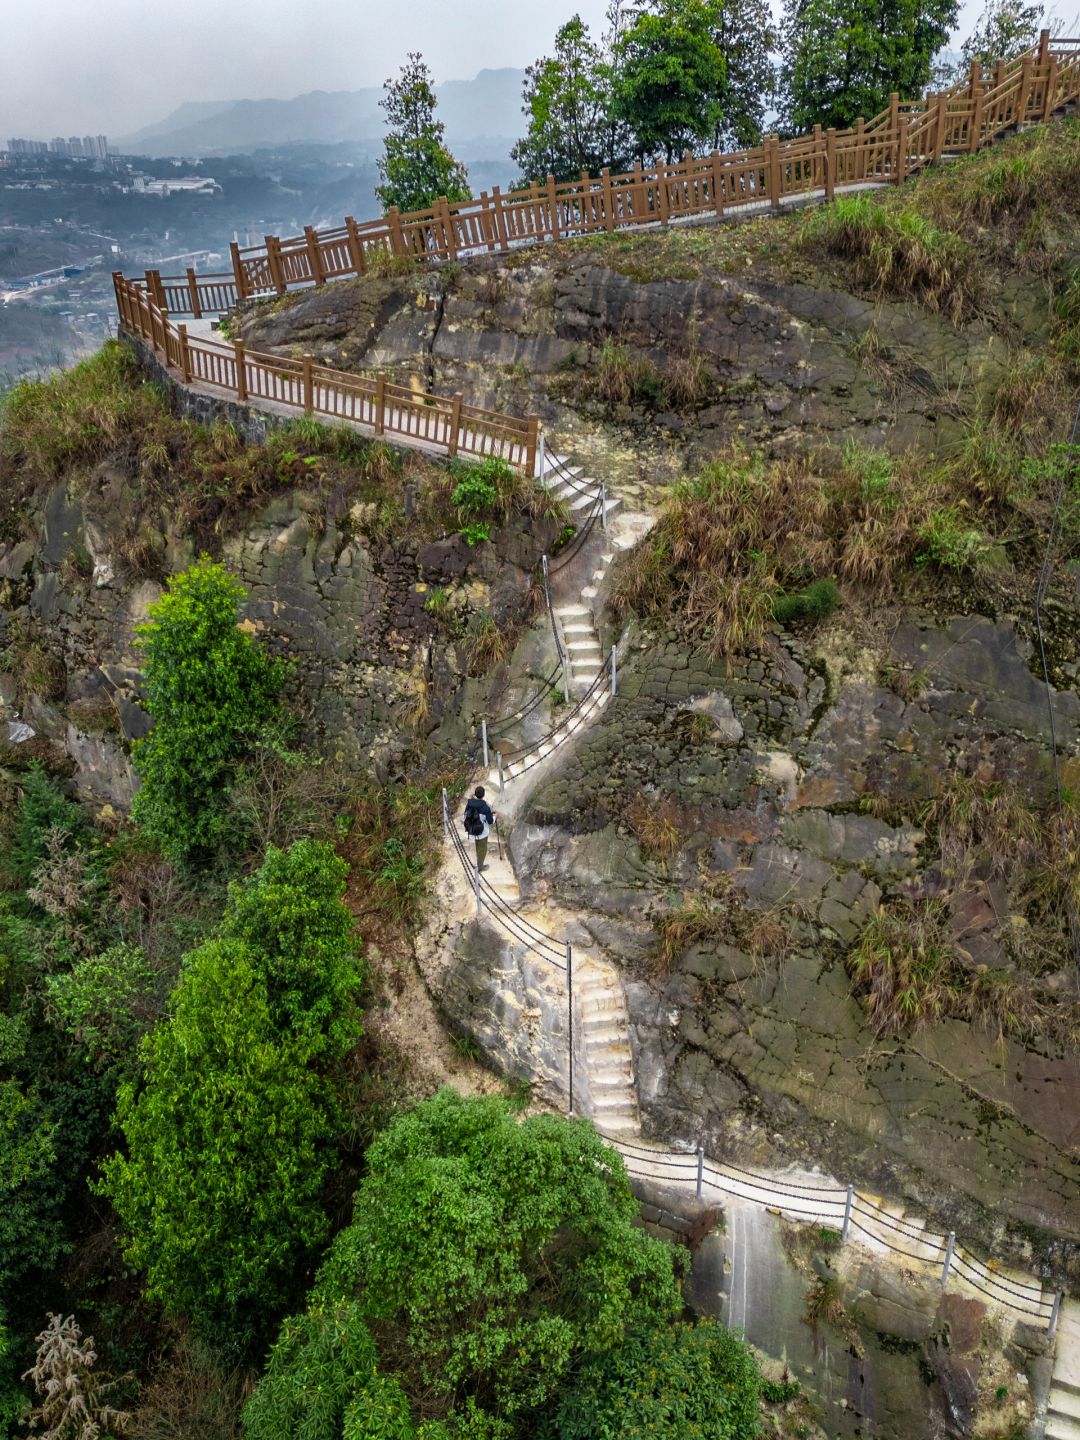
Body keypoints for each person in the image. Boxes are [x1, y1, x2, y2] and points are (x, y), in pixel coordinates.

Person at [463, 786, 495, 871]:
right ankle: (480, 867)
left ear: (475, 794)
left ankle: (478, 862)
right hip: (482, 831)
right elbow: (490, 821)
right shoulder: (485, 807)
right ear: (483, 795)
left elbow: (465, 814)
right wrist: (495, 816)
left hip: (472, 829)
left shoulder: (469, 803)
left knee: (478, 845)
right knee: (483, 848)